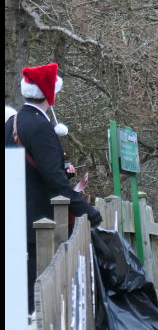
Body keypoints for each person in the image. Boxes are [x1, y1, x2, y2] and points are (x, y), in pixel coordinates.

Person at [5, 63, 102, 313]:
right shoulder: (40, 127)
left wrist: (60, 168)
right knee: (37, 293)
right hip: (40, 221)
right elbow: (54, 180)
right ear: (49, 93)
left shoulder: (14, 122)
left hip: (15, 215)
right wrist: (86, 210)